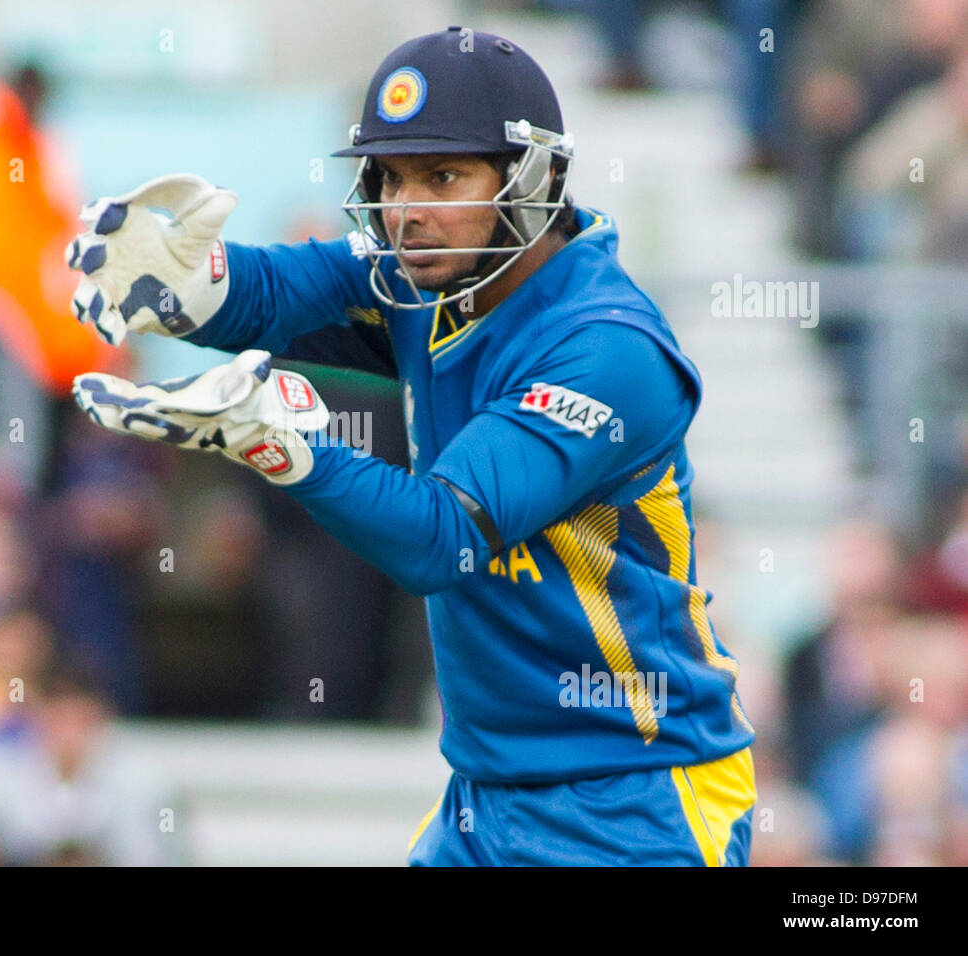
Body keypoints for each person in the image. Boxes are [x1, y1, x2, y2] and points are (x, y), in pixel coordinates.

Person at [62, 28, 756, 866]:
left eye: (442, 175)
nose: (406, 209)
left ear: (532, 180)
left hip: (638, 794)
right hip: (485, 793)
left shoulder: (607, 348)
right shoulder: (427, 270)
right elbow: (276, 292)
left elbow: (442, 540)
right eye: (390, 177)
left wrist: (286, 447)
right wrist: (182, 283)